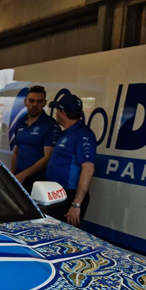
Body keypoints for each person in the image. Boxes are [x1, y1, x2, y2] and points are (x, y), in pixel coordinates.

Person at [45, 93, 97, 226]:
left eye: (57, 110)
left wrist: (76, 204)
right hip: (56, 194)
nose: (56, 113)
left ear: (62, 113)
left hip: (69, 197)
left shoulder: (83, 134)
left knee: (65, 238)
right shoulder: (67, 132)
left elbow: (88, 169)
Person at [11, 85, 61, 190]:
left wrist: (23, 175)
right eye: (31, 101)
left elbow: (48, 158)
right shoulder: (20, 122)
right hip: (18, 179)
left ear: (45, 103)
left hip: (38, 182)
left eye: (39, 102)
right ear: (25, 102)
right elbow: (16, 151)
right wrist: (12, 174)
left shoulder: (50, 125)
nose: (34, 105)